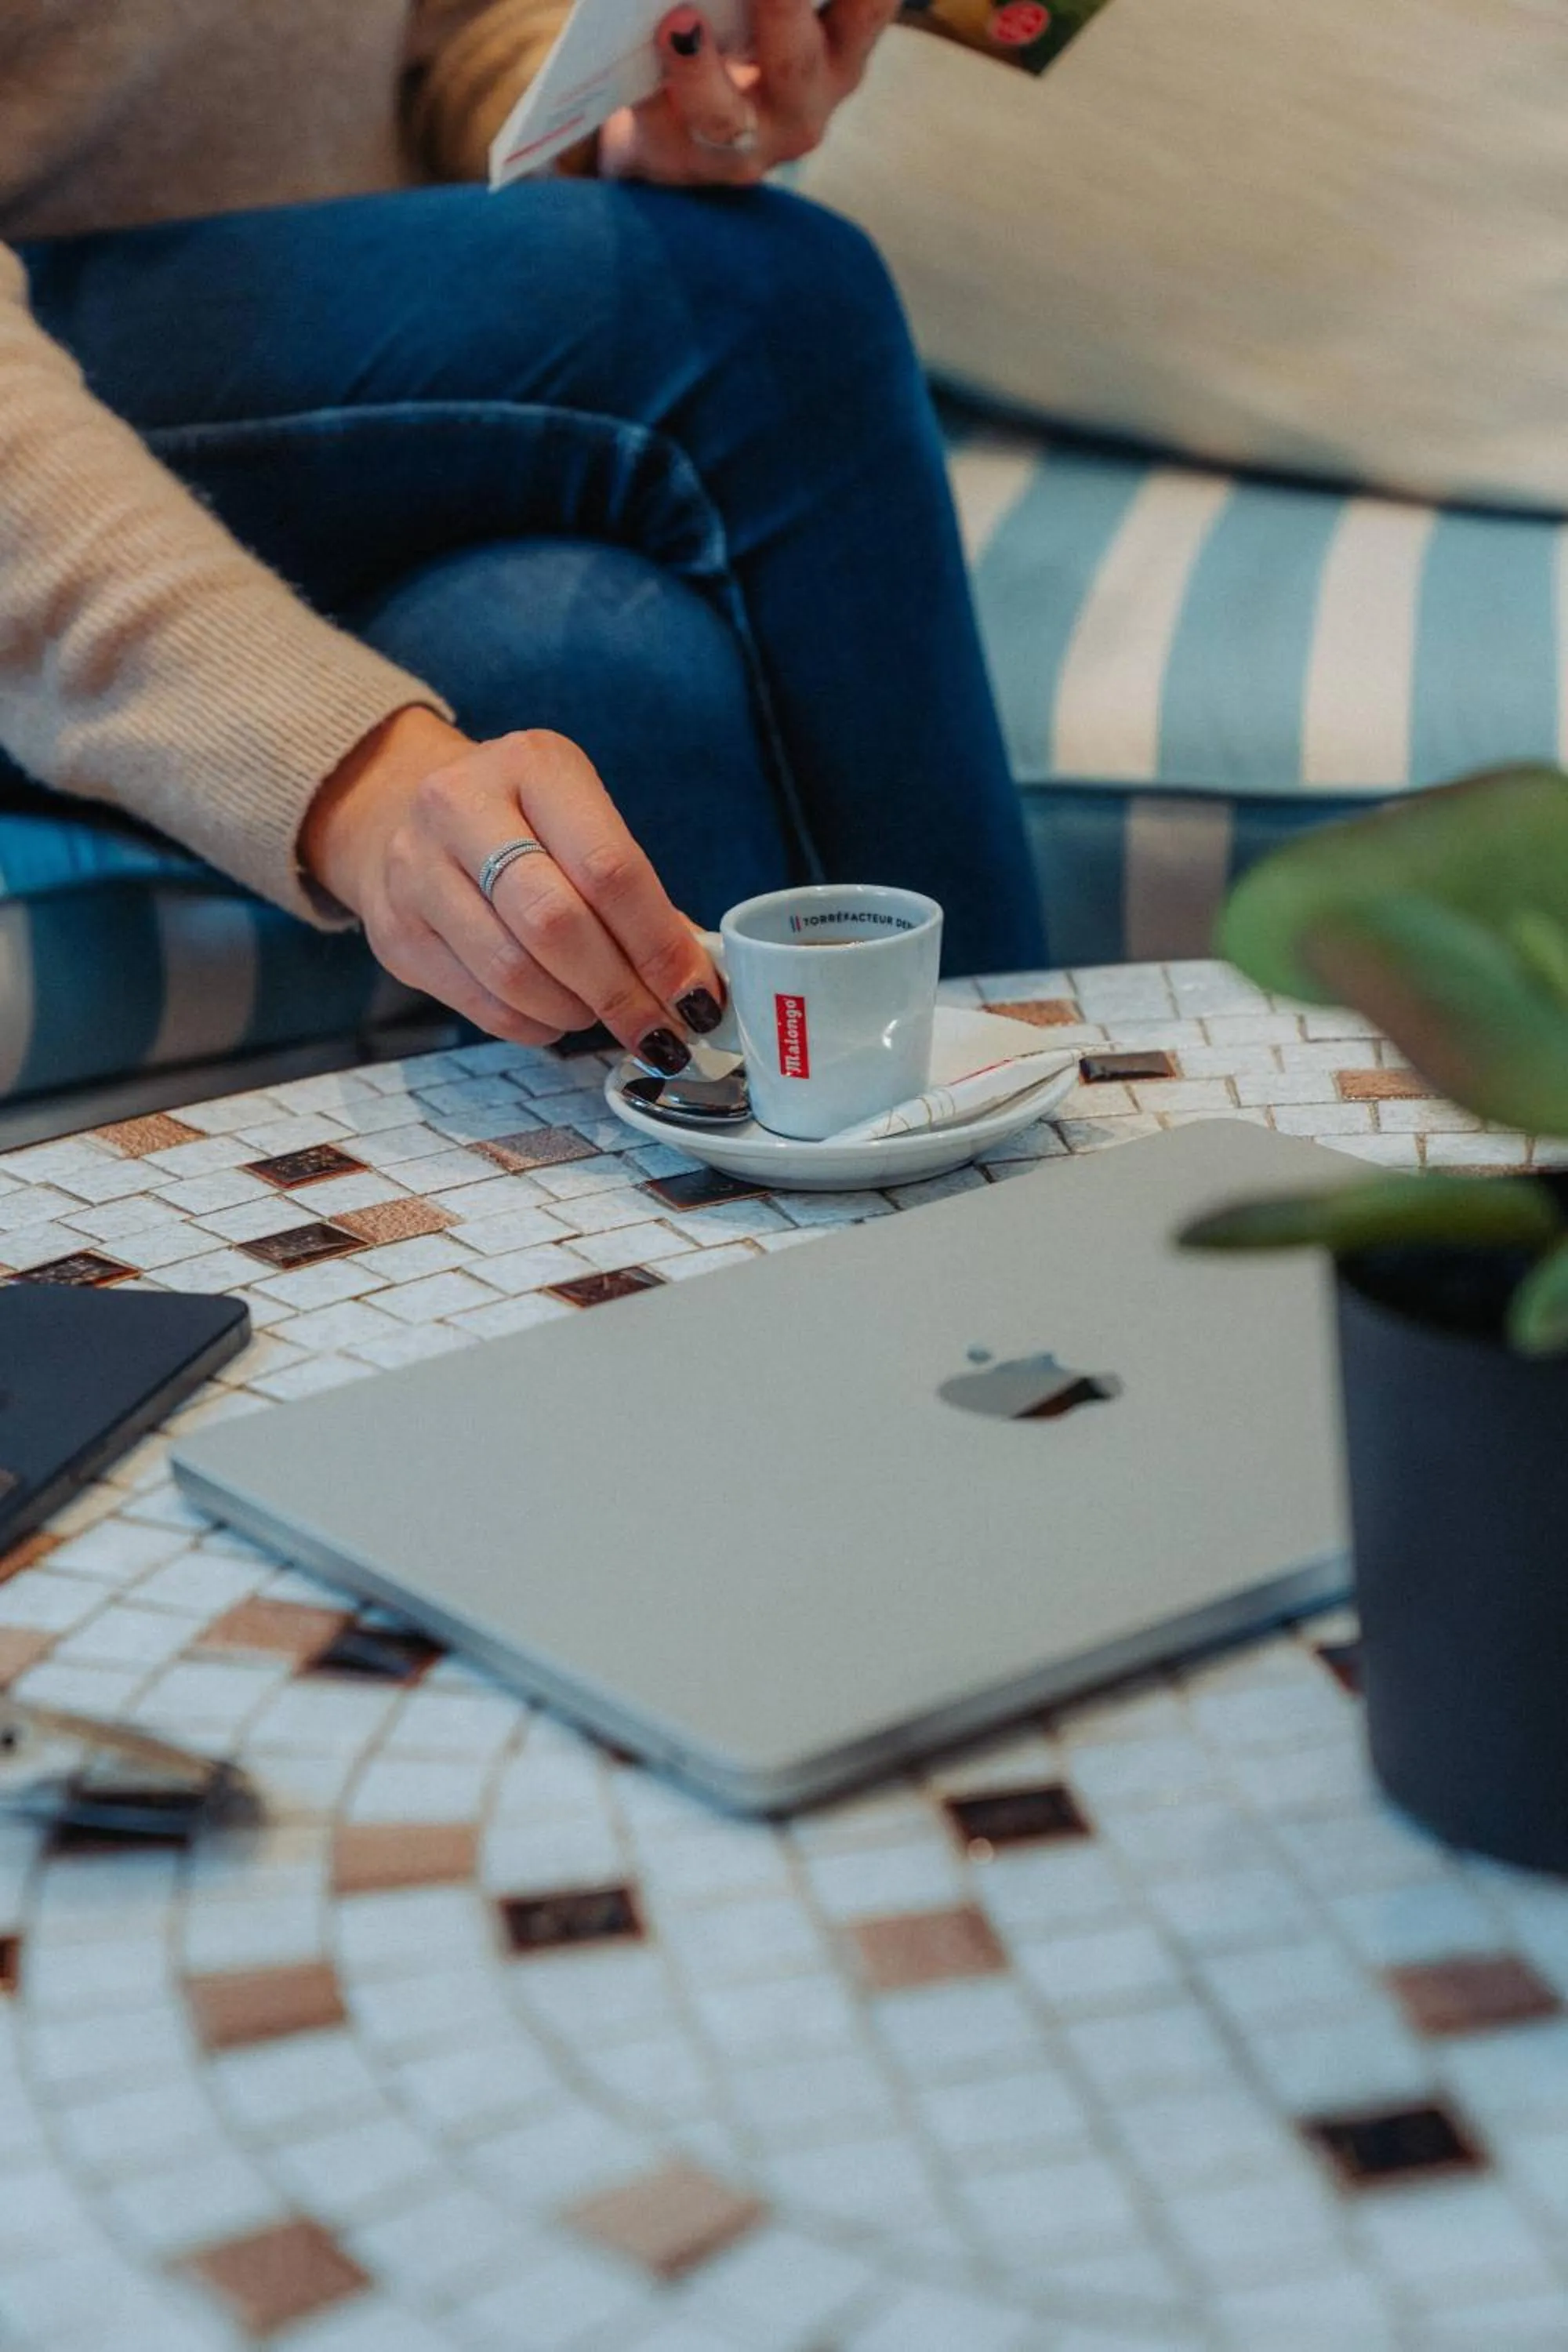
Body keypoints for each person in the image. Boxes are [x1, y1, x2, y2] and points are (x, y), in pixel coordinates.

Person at [0, 0, 1044, 1083]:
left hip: (338, 438)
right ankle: (1014, 1139)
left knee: (590, 659)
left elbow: (443, 28)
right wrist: (350, 779)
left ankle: (795, 1237)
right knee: (767, 309)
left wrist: (598, 116)